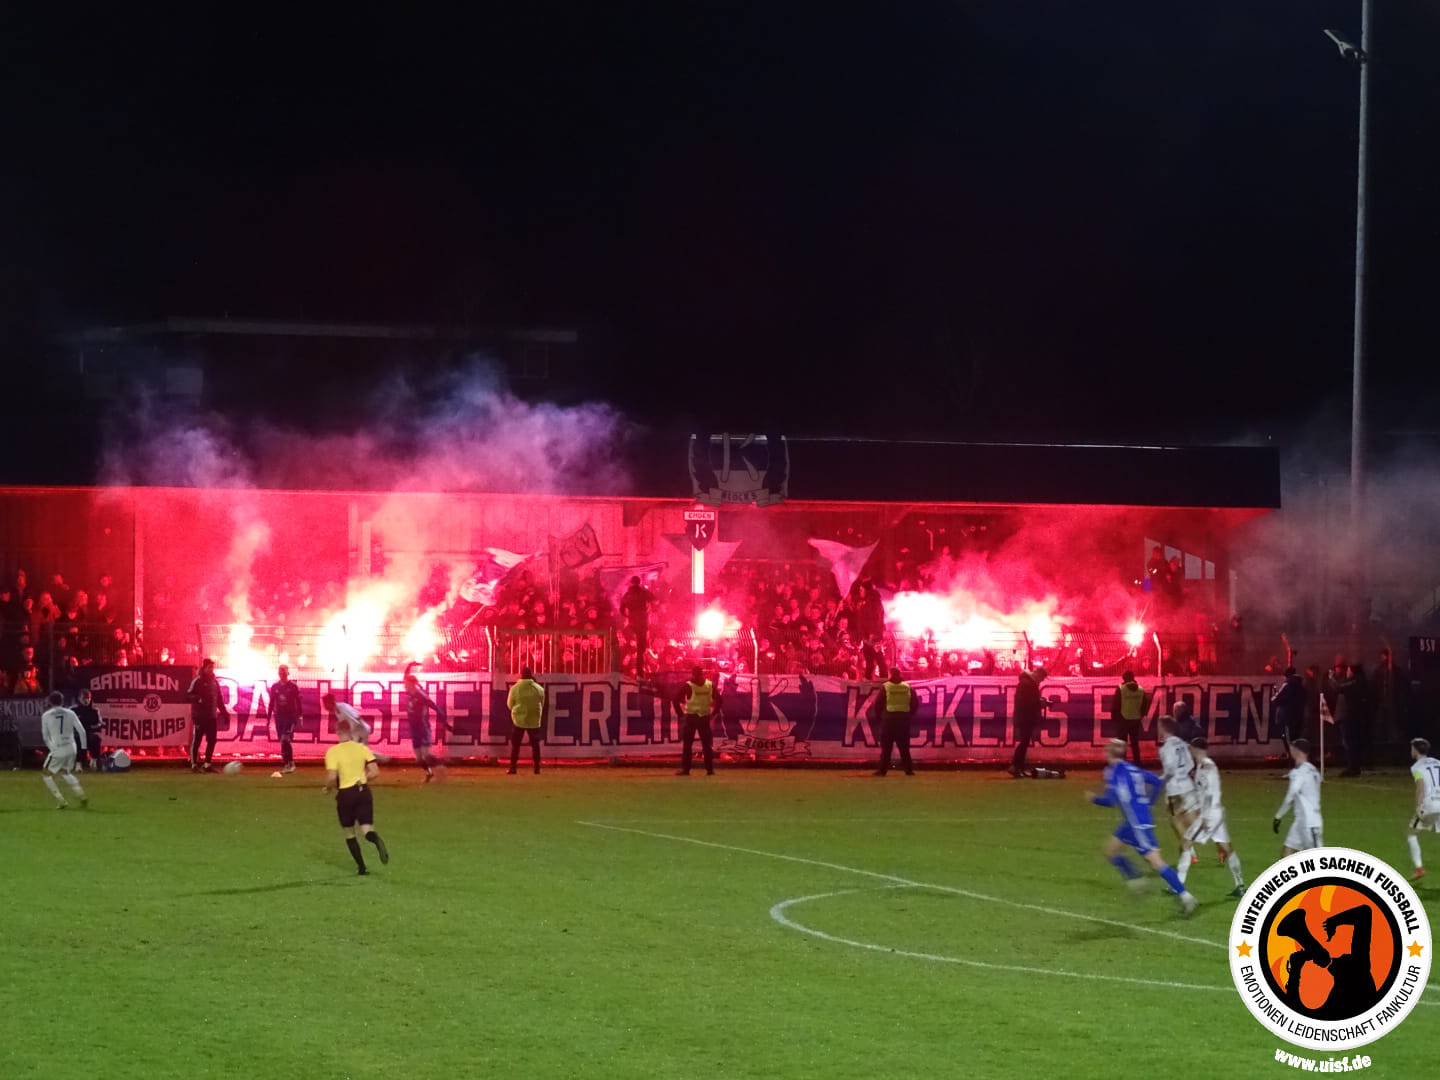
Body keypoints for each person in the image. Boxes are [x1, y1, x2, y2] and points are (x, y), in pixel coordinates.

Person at [1087, 739, 1197, 916]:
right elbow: (1158, 782)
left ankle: (1186, 896)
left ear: (1109, 754)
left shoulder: (1114, 772)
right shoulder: (1133, 769)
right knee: (1110, 851)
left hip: (1138, 824)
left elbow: (1110, 801)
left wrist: (1094, 799)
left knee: (1156, 862)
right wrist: (1149, 802)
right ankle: (1136, 879)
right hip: (1132, 822)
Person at [1178, 738, 1245, 897]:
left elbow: (1209, 793)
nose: (1189, 751)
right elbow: (1202, 793)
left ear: (1196, 749)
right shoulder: (1201, 766)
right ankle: (1240, 885)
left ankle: (1177, 886)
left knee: (1187, 842)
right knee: (1226, 848)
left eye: (1191, 748)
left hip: (1211, 814)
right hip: (1215, 812)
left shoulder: (1207, 766)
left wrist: (1206, 817)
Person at [323, 718, 389, 876]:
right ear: (351, 731)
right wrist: (362, 779)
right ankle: (376, 839)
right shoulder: (361, 748)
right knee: (367, 829)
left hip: (346, 794)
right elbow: (375, 772)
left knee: (349, 833)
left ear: (337, 732)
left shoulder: (333, 751)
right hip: (363, 791)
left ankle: (362, 868)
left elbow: (332, 777)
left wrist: (327, 788)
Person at [1157, 715, 1199, 855]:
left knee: (1175, 820)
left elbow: (1169, 769)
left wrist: (1159, 781)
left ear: (1163, 729)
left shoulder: (1165, 748)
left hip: (1174, 789)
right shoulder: (1183, 744)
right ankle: (1189, 847)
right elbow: (1191, 764)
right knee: (1188, 818)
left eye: (1159, 727)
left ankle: (1188, 848)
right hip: (1188, 785)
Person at [1274, 738, 1324, 854]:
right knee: (1287, 852)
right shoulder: (1313, 771)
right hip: (1300, 821)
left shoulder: (1299, 773)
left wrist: (1278, 815)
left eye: (1292, 748)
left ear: (1298, 751)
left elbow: (1291, 796)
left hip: (1310, 823)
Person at [40, 691, 88, 809]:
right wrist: (84, 749)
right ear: (62, 701)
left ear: (50, 702)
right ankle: (81, 794)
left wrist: (52, 748)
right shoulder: (71, 713)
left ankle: (61, 800)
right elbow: (82, 732)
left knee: (46, 774)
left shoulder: (46, 715)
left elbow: (45, 736)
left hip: (58, 747)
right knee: (65, 772)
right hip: (71, 747)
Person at [674, 665, 721, 776]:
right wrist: (713, 714)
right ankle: (710, 770)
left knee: (687, 745)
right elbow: (719, 700)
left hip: (691, 717)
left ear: (693, 674)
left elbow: (675, 700)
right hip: (704, 718)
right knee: (707, 745)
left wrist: (680, 715)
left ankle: (686, 770)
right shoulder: (709, 685)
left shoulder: (688, 685)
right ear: (702, 673)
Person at [1405, 737, 1440, 882]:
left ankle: (1419, 869)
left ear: (1415, 750)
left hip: (1430, 804)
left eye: (1412, 748)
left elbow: (1420, 787)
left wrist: (1419, 806)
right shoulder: (1438, 762)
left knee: (1411, 834)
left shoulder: (1417, 767)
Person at [403, 671, 446, 782]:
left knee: (426, 754)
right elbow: (405, 675)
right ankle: (429, 773)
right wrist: (409, 666)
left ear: (412, 684)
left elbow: (435, 707)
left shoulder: (421, 696)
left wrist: (444, 720)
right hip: (414, 729)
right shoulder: (410, 693)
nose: (404, 686)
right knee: (418, 758)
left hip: (423, 728)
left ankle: (440, 768)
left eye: (406, 684)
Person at [872, 668, 916, 777]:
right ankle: (909, 770)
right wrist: (909, 715)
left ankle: (882, 770)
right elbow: (915, 703)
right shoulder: (907, 687)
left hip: (889, 720)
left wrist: (880, 717)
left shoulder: (886, 687)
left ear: (890, 675)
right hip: (903, 720)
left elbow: (877, 704)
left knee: (886, 747)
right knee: (904, 747)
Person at [187, 658, 228, 773]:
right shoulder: (197, 681)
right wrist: (197, 698)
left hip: (211, 716)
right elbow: (188, 695)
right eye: (209, 667)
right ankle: (194, 765)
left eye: (212, 668)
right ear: (204, 668)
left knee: (212, 740)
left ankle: (207, 764)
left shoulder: (214, 683)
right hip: (199, 716)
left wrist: (224, 713)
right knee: (197, 740)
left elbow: (219, 699)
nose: (211, 670)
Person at [505, 666, 545, 775]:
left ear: (521, 675)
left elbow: (509, 704)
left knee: (516, 745)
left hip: (519, 719)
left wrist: (517, 711)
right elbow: (542, 703)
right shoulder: (539, 689)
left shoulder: (515, 688)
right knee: (535, 745)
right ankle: (537, 768)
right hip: (534, 720)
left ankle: (513, 767)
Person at [1008, 666, 1047, 778]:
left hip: (1025, 717)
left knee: (1024, 742)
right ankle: (1015, 766)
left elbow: (1026, 700)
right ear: (1038, 675)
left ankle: (1018, 767)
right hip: (1026, 717)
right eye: (1042, 678)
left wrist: (1038, 702)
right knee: (1024, 743)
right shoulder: (1028, 684)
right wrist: (1039, 704)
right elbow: (1026, 702)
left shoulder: (1027, 683)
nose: (1042, 680)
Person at [269, 664, 302, 777]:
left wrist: (300, 716)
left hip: (290, 716)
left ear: (288, 673)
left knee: (285, 738)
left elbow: (298, 701)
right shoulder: (275, 687)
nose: (282, 673)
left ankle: (291, 763)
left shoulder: (293, 686)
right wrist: (268, 718)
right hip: (279, 717)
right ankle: (287, 763)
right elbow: (271, 702)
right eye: (280, 671)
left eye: (284, 671)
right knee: (282, 740)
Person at [1111, 670, 1149, 765]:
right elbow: (1145, 704)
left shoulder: (1121, 689)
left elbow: (1116, 704)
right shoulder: (1141, 689)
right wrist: (1141, 715)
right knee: (1135, 742)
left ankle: (1122, 763)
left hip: (1123, 719)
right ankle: (1137, 762)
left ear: (1124, 679)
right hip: (1136, 719)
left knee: (1122, 743)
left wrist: (1114, 717)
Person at [620, 577, 654, 678]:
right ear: (639, 583)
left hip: (632, 624)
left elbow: (621, 609)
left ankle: (630, 672)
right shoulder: (644, 592)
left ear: (631, 583)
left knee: (632, 647)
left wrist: (628, 615)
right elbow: (654, 599)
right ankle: (640, 672)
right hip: (643, 624)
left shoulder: (627, 595)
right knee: (641, 649)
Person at [1271, 666, 1304, 754]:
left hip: (1286, 717)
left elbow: (1277, 699)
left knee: (1287, 737)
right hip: (1297, 716)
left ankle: (1291, 756)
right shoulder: (1300, 684)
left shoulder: (1288, 684)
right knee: (1295, 737)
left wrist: (1274, 697)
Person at [72, 688, 103, 771]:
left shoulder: (94, 711)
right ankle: (78, 763)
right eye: (84, 698)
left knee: (96, 739)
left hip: (89, 733)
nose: (86, 700)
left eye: (88, 698)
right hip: (77, 734)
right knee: (77, 739)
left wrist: (93, 727)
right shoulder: (73, 710)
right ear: (79, 698)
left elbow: (99, 723)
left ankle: (94, 761)